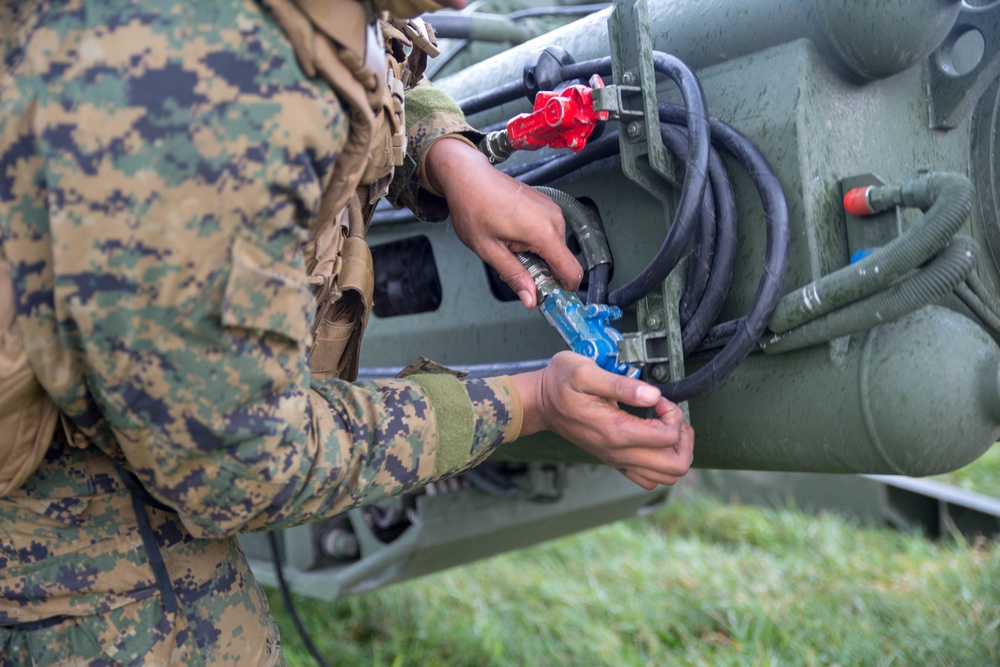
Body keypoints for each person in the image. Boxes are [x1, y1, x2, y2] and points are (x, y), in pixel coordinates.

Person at [0, 0, 694, 663]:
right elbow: (241, 468)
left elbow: (370, 62)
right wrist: (528, 403)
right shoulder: (208, 99)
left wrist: (448, 155)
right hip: (50, 455)